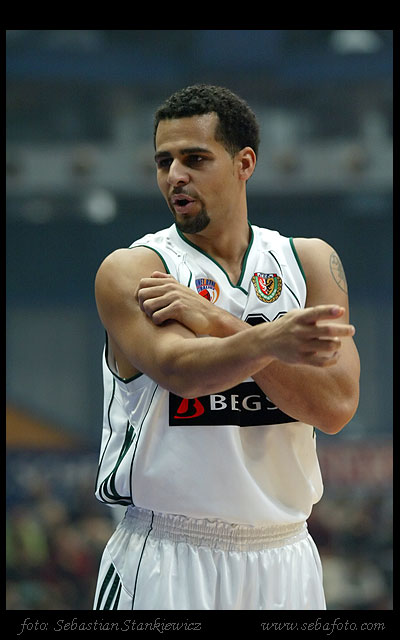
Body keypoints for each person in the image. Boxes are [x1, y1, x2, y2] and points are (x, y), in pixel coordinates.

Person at [92, 84, 360, 610]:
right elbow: (182, 372)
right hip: (168, 554)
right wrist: (272, 339)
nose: (175, 175)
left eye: (194, 159)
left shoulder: (309, 262)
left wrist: (216, 320)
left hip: (285, 554)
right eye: (164, 162)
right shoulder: (136, 268)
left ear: (245, 163)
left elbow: (335, 406)